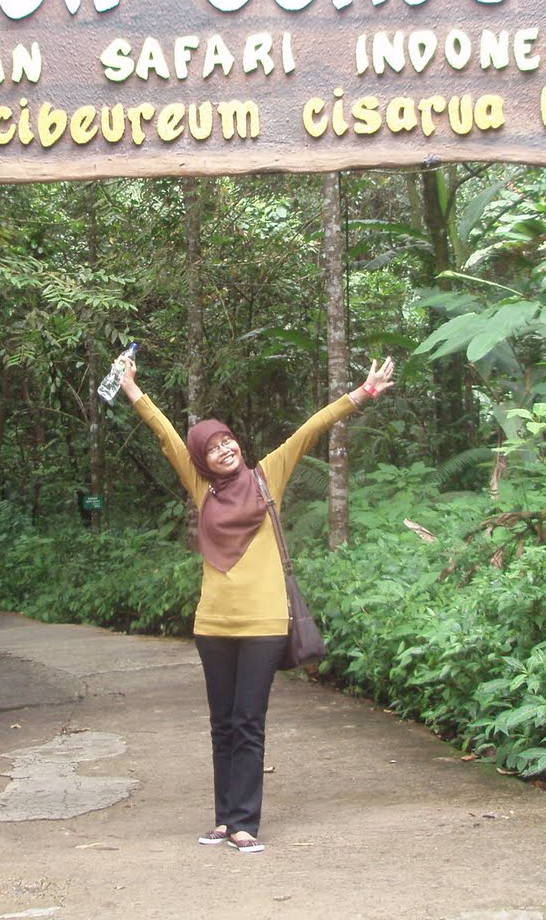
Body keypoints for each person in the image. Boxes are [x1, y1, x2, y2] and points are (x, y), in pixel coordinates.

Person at [119, 354, 396, 854]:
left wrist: (363, 392)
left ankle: (245, 821)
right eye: (213, 447)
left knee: (248, 720)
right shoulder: (202, 489)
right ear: (201, 459)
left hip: (265, 622)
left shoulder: (268, 475)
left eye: (228, 441)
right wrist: (132, 389)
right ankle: (224, 820)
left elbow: (312, 428)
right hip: (213, 625)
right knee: (221, 723)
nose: (224, 449)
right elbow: (165, 436)